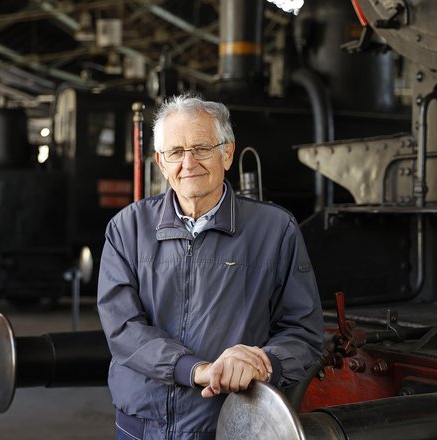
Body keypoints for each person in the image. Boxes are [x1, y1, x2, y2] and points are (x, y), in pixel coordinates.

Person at [97, 94, 323, 440]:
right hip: (141, 427)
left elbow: (303, 333)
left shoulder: (275, 230)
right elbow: (123, 330)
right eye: (175, 152)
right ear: (160, 162)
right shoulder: (127, 229)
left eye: (201, 148)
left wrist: (261, 363)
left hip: (229, 426)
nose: (188, 163)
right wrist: (196, 369)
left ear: (227, 153)